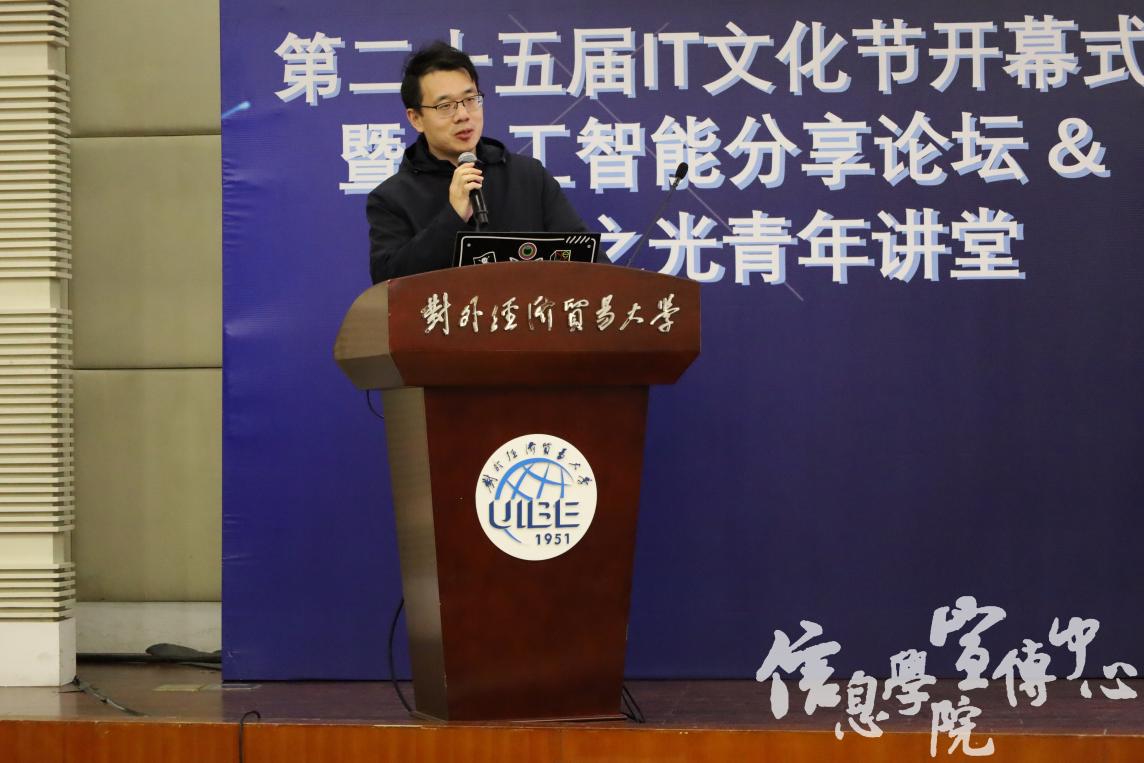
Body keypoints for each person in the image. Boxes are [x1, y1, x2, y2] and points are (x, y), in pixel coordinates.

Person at [367, 42, 587, 283]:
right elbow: (388, 285)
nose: (463, 115)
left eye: (470, 99)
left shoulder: (529, 176)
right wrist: (452, 218)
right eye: (445, 106)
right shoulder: (391, 199)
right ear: (416, 119)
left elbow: (587, 258)